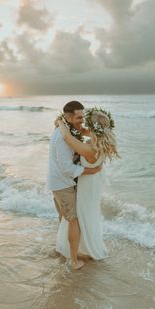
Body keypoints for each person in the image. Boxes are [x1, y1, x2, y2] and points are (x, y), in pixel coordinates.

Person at [54, 105, 121, 263]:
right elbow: (83, 131)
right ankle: (83, 246)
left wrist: (61, 122)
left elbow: (66, 138)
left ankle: (81, 250)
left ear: (93, 127)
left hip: (86, 187)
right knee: (87, 215)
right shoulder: (99, 142)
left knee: (81, 216)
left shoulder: (90, 149)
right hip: (92, 185)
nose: (83, 123)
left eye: (87, 122)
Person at [46, 101, 102, 270]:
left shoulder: (64, 130)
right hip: (62, 184)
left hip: (57, 182)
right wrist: (89, 171)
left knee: (64, 218)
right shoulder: (63, 138)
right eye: (78, 117)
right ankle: (73, 260)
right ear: (68, 117)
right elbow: (67, 168)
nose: (82, 120)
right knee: (73, 220)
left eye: (83, 117)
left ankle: (61, 248)